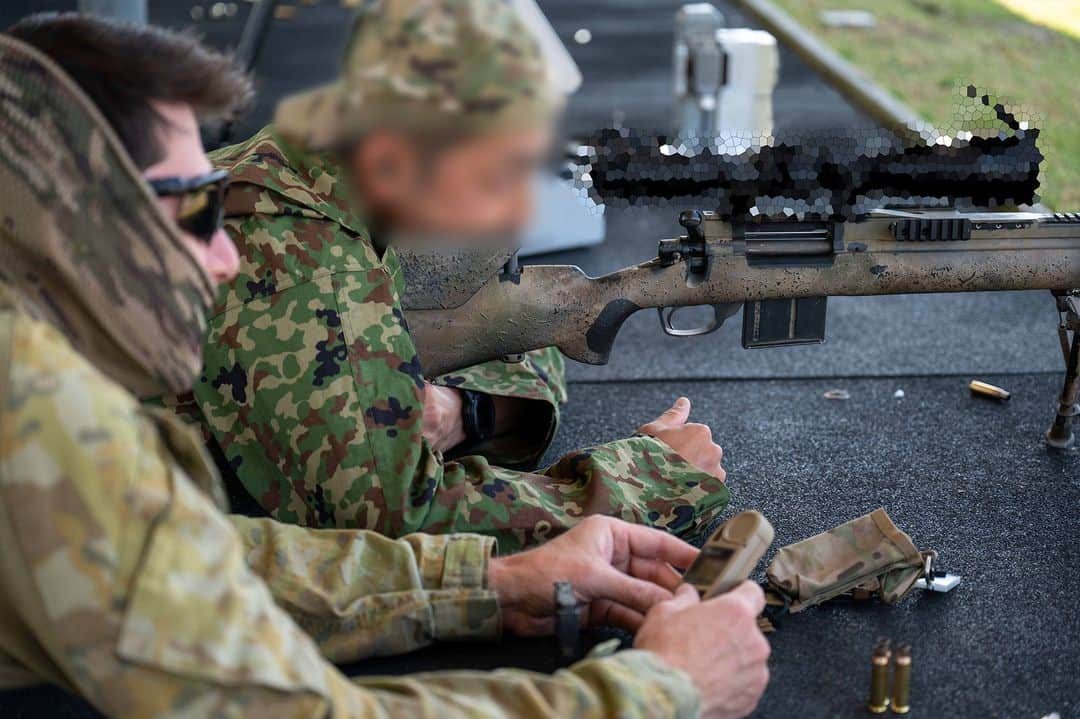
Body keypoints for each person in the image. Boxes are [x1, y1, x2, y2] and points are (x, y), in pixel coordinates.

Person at [0, 16, 771, 718]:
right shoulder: (45, 415)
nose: (226, 256)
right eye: (193, 208)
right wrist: (664, 688)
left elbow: (206, 559)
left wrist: (481, 585)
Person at [176, 0, 732, 551]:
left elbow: (506, 324)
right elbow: (397, 521)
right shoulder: (310, 272)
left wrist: (468, 412)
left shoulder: (310, 169)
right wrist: (656, 479)